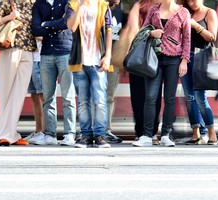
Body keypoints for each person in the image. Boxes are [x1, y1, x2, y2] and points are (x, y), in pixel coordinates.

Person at [131, 0, 191, 147]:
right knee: (150, 97)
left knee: (169, 98)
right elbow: (142, 32)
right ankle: (147, 135)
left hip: (174, 60)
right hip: (154, 59)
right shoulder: (153, 10)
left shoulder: (183, 12)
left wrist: (184, 61)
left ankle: (166, 134)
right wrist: (152, 33)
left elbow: (187, 39)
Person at [0, 0, 37, 146]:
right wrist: (9, 17)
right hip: (10, 49)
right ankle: (4, 135)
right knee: (7, 93)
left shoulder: (34, 3)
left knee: (19, 95)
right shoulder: (7, 2)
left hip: (28, 51)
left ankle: (10, 134)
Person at [67, 0, 113, 148]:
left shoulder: (103, 6)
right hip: (79, 62)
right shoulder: (73, 5)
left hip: (97, 61)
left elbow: (108, 31)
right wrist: (80, 8)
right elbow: (71, 28)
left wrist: (108, 56)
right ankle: (85, 135)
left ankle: (100, 135)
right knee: (83, 101)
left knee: (100, 100)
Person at [31, 0, 77, 146]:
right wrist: (55, 26)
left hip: (65, 51)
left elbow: (66, 23)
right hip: (46, 53)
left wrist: (46, 24)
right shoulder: (38, 4)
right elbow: (35, 29)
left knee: (68, 95)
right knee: (48, 97)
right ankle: (50, 134)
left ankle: (69, 134)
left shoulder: (67, 2)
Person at [179, 0, 218, 145]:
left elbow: (212, 37)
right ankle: (195, 133)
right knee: (189, 97)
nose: (191, 2)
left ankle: (211, 132)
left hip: (201, 57)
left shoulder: (209, 12)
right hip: (184, 57)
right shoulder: (184, 12)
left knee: (199, 96)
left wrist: (195, 25)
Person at [126, 0, 162, 144]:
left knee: (149, 95)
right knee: (143, 95)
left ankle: (148, 131)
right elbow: (132, 31)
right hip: (145, 55)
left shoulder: (162, 6)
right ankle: (144, 131)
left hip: (150, 56)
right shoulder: (139, 6)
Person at [104, 0, 125, 144]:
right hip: (97, 57)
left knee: (109, 95)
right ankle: (91, 129)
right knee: (94, 95)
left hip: (114, 58)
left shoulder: (120, 12)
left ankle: (106, 130)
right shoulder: (98, 8)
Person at [23, 38, 44, 144]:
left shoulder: (40, 20)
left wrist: (30, 34)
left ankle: (46, 132)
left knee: (43, 96)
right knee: (35, 97)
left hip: (41, 59)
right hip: (29, 59)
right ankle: (38, 130)